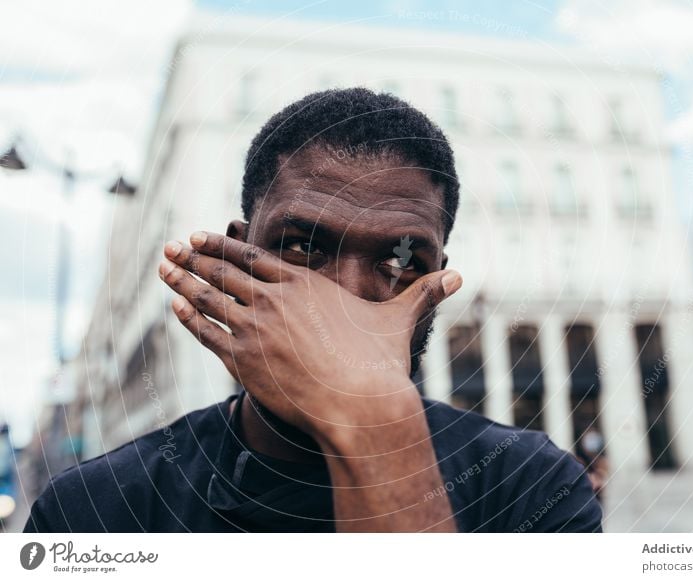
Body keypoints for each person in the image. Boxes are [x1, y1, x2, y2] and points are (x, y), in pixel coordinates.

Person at [24, 88, 602, 533]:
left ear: (437, 281)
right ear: (237, 258)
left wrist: (372, 425)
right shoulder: (97, 509)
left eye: (401, 258)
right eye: (303, 247)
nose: (343, 298)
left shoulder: (531, 488)